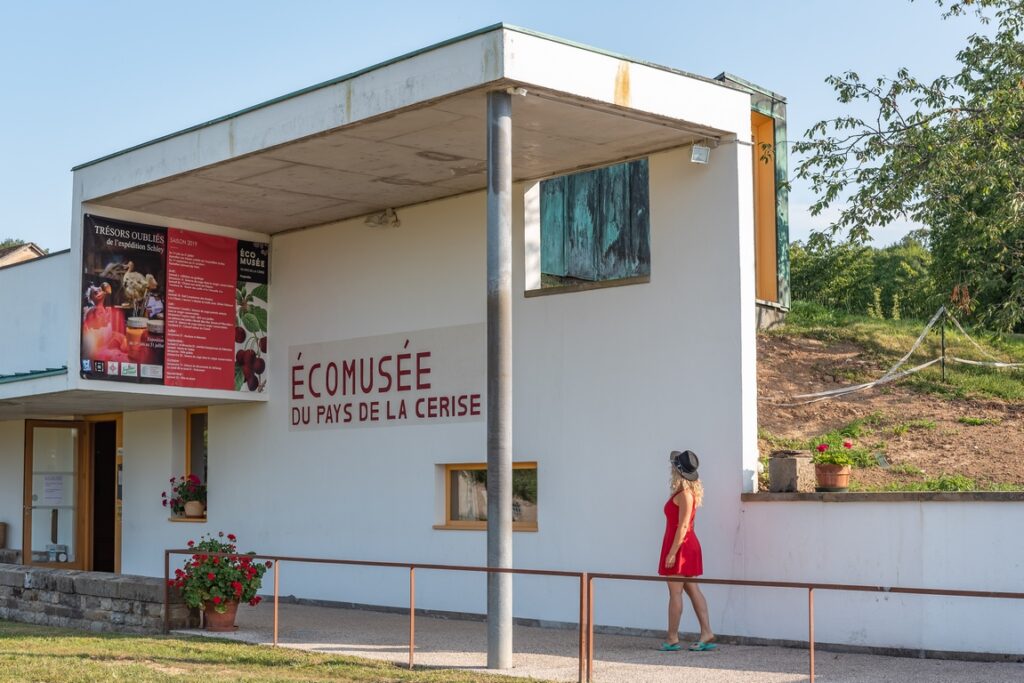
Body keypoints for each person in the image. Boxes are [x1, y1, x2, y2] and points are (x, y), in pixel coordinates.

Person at [658, 449, 716, 651]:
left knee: (675, 592)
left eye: (673, 466)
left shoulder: (685, 495)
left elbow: (683, 526)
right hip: (685, 544)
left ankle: (672, 638)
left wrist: (672, 552)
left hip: (681, 545)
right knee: (692, 588)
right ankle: (707, 633)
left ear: (678, 471)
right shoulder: (685, 493)